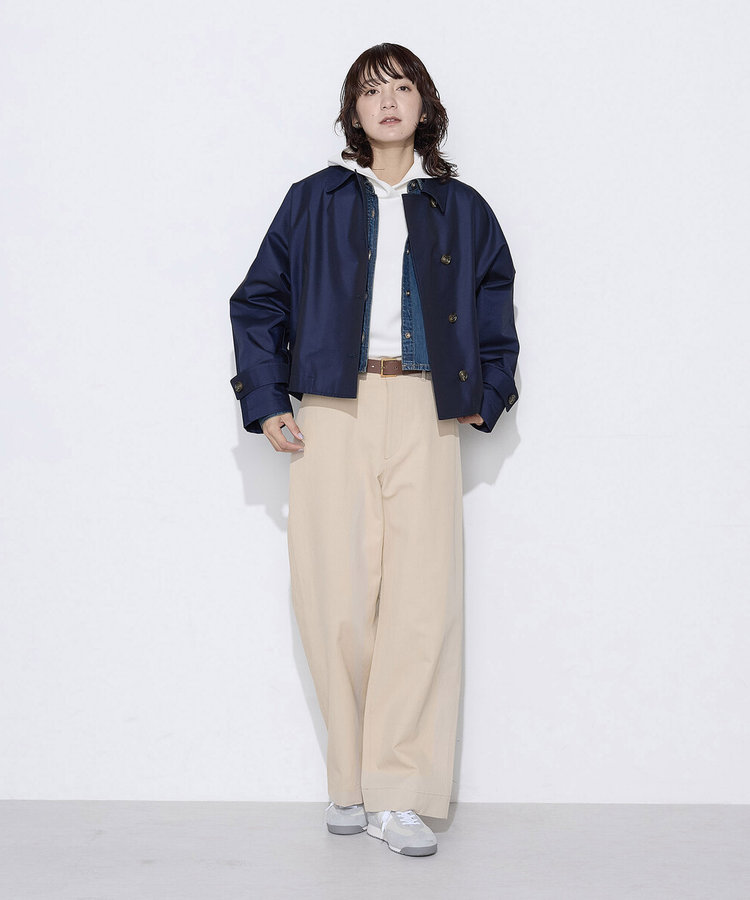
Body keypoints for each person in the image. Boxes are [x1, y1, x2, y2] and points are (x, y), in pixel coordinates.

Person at [229, 43, 519, 857]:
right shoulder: (313, 200)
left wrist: (489, 391)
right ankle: (350, 783)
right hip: (332, 405)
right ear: (352, 112)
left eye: (401, 87)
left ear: (424, 104)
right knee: (335, 597)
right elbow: (259, 300)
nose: (387, 101)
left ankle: (399, 791)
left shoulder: (461, 208)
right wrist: (265, 399)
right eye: (370, 90)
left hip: (426, 405)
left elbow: (495, 303)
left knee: (422, 601)